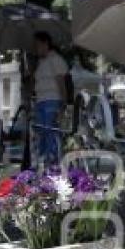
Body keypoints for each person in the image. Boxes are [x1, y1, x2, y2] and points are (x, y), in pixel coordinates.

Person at [32, 31, 68, 166]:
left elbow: (61, 82)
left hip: (52, 99)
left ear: (45, 44)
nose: (36, 48)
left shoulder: (56, 60)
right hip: (40, 100)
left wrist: (63, 103)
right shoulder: (41, 62)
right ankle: (43, 161)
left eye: (37, 45)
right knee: (41, 132)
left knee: (50, 131)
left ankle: (52, 161)